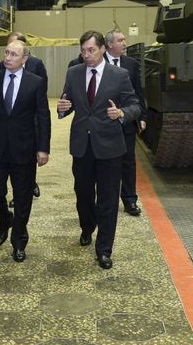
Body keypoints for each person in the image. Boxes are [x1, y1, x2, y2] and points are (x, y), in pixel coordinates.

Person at [57, 30, 141, 269]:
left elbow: (135, 105)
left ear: (103, 48)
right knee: (83, 194)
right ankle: (87, 226)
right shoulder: (74, 72)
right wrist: (63, 108)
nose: (86, 55)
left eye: (91, 50)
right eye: (83, 51)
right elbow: (67, 103)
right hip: (82, 146)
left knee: (108, 199)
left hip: (110, 147)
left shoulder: (120, 75)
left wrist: (122, 113)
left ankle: (104, 249)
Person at [0, 40, 51, 263]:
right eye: (6, 53)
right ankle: (5, 220)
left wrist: (43, 148)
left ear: (24, 59)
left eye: (13, 54)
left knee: (23, 197)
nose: (7, 57)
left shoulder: (35, 82)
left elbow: (43, 116)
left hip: (24, 149)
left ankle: (19, 241)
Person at [104, 29, 147, 216]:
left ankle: (130, 200)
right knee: (105, 163)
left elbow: (138, 92)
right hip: (105, 122)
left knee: (128, 162)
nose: (125, 43)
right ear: (110, 44)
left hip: (127, 121)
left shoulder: (131, 63)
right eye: (121, 40)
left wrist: (142, 116)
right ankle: (106, 200)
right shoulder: (98, 62)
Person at [7, 31, 45, 199]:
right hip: (10, 123)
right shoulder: (3, 66)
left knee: (27, 159)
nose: (10, 52)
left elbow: (41, 93)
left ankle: (29, 185)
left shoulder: (36, 64)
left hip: (30, 120)